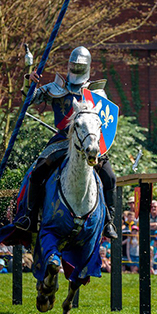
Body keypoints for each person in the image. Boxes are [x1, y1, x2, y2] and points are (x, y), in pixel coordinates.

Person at [14, 46, 118, 240]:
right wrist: (30, 80)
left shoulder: (97, 93)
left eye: (80, 66)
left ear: (87, 66)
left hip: (89, 144)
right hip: (62, 140)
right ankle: (29, 216)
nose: (77, 69)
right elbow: (29, 100)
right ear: (69, 65)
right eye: (74, 65)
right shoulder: (57, 87)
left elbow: (104, 122)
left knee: (110, 177)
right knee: (38, 171)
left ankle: (108, 221)